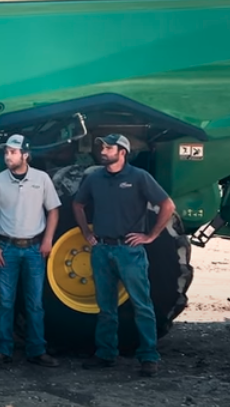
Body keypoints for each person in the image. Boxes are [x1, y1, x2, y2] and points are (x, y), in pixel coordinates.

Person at [71, 133, 176, 378]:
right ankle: (106, 353)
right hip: (102, 250)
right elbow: (78, 205)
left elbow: (167, 205)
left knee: (142, 305)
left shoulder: (139, 177)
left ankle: (149, 356)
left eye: (109, 148)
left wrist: (150, 236)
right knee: (106, 307)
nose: (104, 151)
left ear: (122, 152)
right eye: (103, 147)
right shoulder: (95, 178)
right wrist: (86, 232)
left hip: (130, 252)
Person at [0, 134, 61, 367]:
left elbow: (53, 210)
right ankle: (4, 349)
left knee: (35, 303)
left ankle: (37, 350)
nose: (8, 156)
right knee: (5, 302)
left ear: (25, 154)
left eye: (13, 152)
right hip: (6, 249)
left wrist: (48, 240)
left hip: (35, 249)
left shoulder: (42, 179)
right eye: (6, 152)